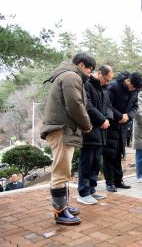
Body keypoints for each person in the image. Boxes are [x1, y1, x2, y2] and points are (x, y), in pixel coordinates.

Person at [40, 52, 95, 225]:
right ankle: (60, 212)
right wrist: (87, 124)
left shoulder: (68, 75)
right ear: (81, 65)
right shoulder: (72, 76)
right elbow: (75, 105)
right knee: (60, 171)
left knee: (64, 170)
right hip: (62, 129)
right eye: (89, 69)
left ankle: (64, 206)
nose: (90, 74)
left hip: (62, 128)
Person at [77, 65, 113, 205]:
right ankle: (83, 192)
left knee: (96, 163)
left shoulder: (104, 89)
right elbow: (88, 106)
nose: (108, 82)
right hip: (90, 130)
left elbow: (109, 106)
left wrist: (108, 120)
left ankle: (91, 189)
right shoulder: (87, 85)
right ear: (99, 74)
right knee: (87, 162)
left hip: (102, 131)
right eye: (106, 79)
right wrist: (101, 120)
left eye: (110, 80)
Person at [103, 71, 142, 192]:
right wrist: (120, 116)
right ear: (128, 81)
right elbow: (107, 105)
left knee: (119, 154)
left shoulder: (134, 90)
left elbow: (135, 107)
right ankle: (109, 182)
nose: (133, 90)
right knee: (109, 155)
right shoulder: (113, 86)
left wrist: (128, 116)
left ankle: (118, 180)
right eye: (133, 87)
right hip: (111, 125)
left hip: (123, 127)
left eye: (136, 88)